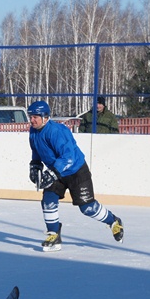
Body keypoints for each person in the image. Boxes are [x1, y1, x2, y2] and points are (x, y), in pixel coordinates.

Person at [28, 100, 124, 252]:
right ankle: (54, 235)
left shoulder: (57, 131)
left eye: (35, 117)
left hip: (76, 171)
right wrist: (35, 165)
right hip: (57, 172)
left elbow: (69, 157)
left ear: (45, 117)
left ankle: (114, 221)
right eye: (30, 116)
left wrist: (53, 172)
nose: (32, 120)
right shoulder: (33, 131)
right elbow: (36, 150)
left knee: (87, 208)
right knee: (48, 200)